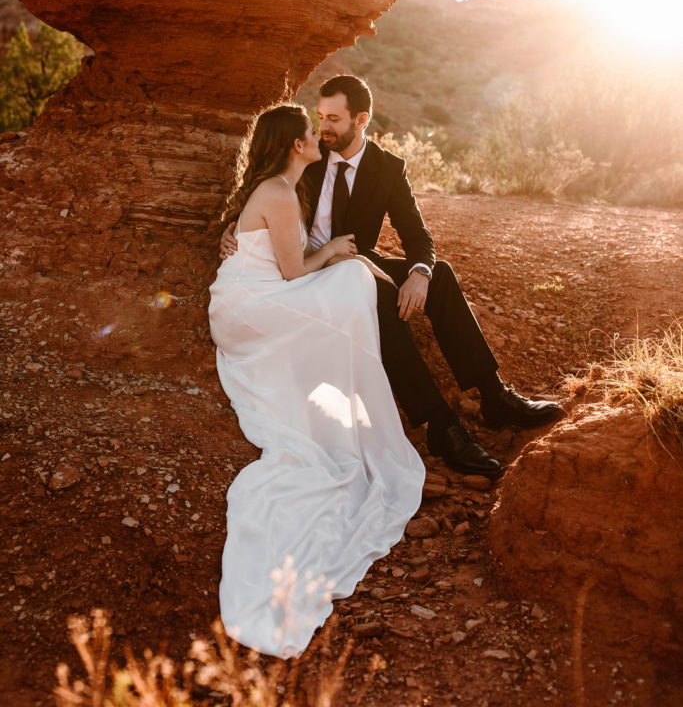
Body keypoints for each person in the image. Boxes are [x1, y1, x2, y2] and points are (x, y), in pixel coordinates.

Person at [221, 76, 562, 477]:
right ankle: (440, 424)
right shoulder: (308, 157)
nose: (324, 126)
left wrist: (419, 273)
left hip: (350, 261)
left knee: (441, 276)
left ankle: (493, 396)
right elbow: (261, 191)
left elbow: (417, 235)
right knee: (378, 295)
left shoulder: (387, 168)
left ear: (361, 119)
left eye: (334, 118)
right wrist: (232, 229)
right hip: (311, 271)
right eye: (321, 117)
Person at [208, 102, 425, 659]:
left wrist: (335, 256)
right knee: (349, 279)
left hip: (258, 292)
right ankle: (354, 415)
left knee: (350, 278)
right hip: (252, 305)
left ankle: (349, 395)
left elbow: (284, 259)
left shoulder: (282, 187)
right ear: (293, 145)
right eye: (311, 131)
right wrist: (332, 251)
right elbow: (294, 272)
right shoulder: (279, 192)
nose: (318, 136)